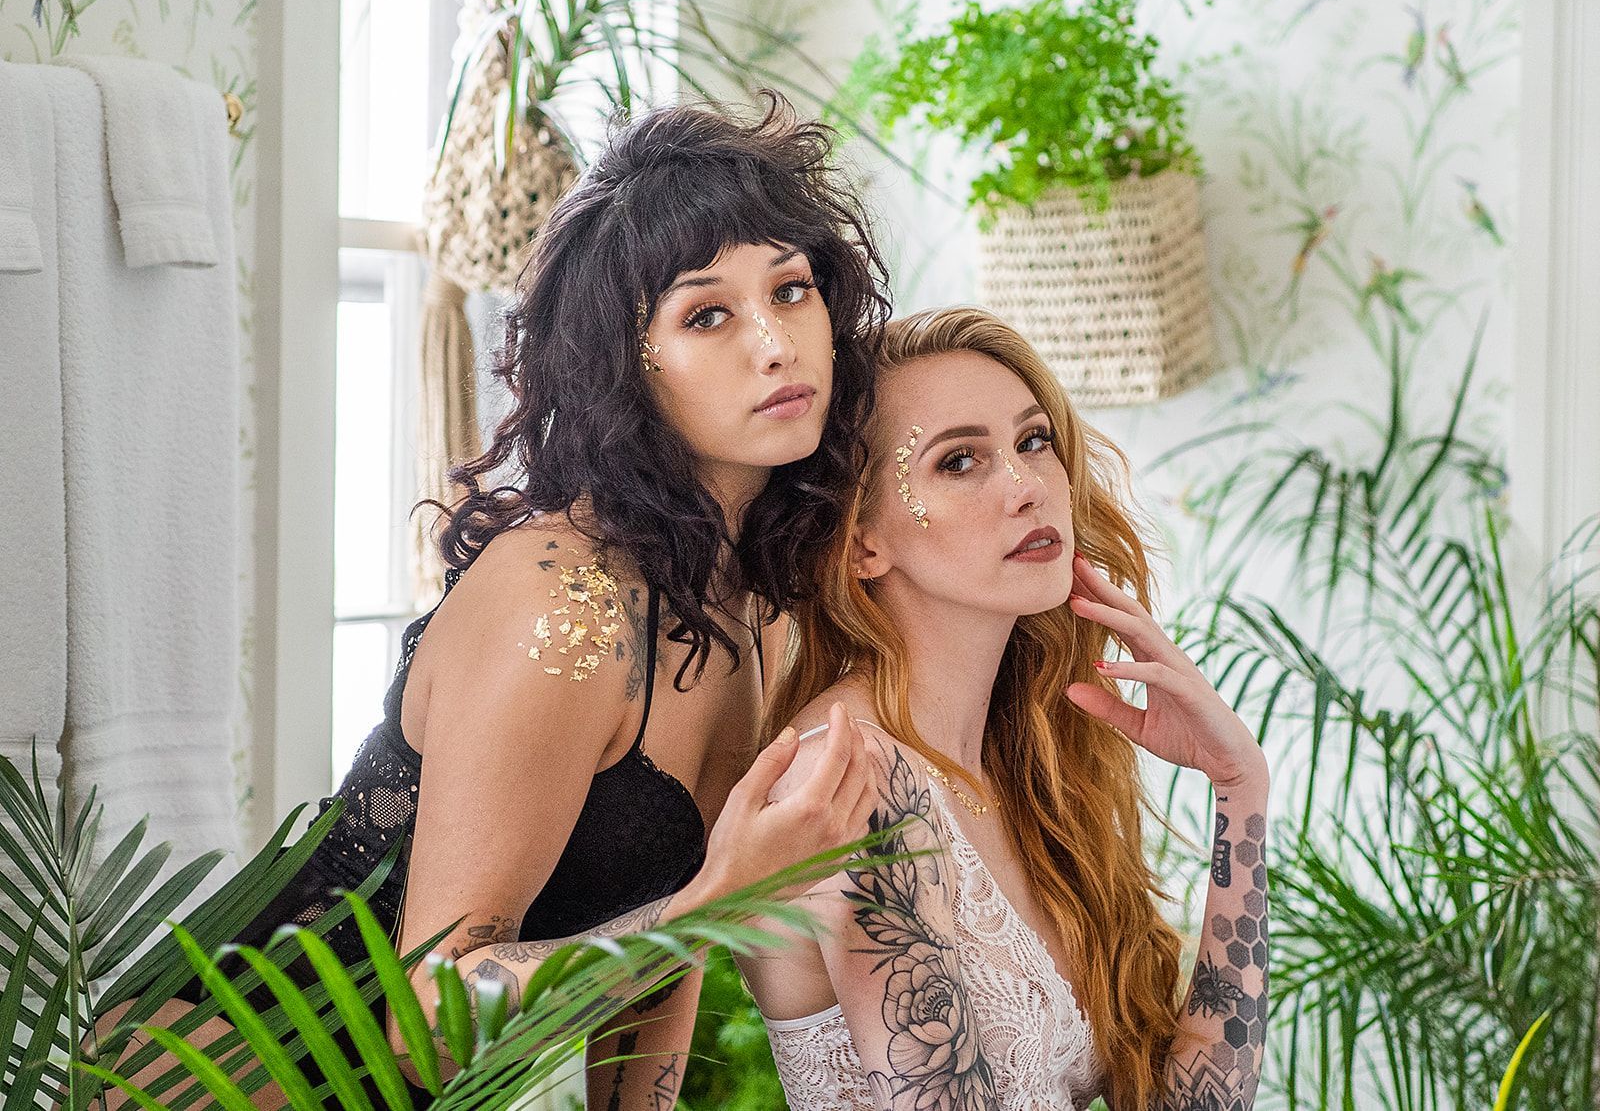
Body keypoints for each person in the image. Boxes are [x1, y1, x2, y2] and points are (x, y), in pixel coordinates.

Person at [96, 92, 890, 1110]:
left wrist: (700, 916)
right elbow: (428, 1016)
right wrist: (711, 904)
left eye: (790, 289)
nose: (776, 343)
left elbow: (666, 962)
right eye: (707, 314)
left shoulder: (758, 603)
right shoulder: (562, 603)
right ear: (624, 366)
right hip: (211, 1081)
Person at [736, 307, 1273, 1111]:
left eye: (1033, 441)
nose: (1027, 487)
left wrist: (1240, 789)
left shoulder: (1028, 763)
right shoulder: (848, 779)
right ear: (862, 543)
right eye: (959, 461)